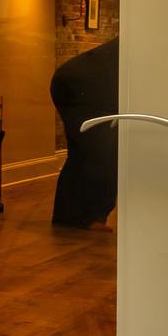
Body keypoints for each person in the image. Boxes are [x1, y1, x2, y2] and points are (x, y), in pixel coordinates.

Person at [51, 34, 118, 228]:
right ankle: (92, 216)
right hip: (85, 87)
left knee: (83, 153)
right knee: (105, 152)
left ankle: (70, 216)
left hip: (71, 81)